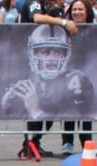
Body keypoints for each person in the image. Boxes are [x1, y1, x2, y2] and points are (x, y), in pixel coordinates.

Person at [16, 0, 78, 157]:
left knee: (51, 104)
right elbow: (37, 18)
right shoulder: (34, 2)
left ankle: (34, 140)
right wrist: (64, 22)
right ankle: (30, 142)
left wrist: (58, 11)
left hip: (50, 62)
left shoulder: (51, 7)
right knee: (37, 101)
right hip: (35, 61)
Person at [59, 0, 96, 154]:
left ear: (87, 11)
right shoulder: (65, 29)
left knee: (86, 108)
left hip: (89, 72)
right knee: (69, 106)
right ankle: (67, 142)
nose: (77, 12)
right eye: (74, 9)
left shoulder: (95, 30)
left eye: (80, 9)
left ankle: (87, 142)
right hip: (68, 72)